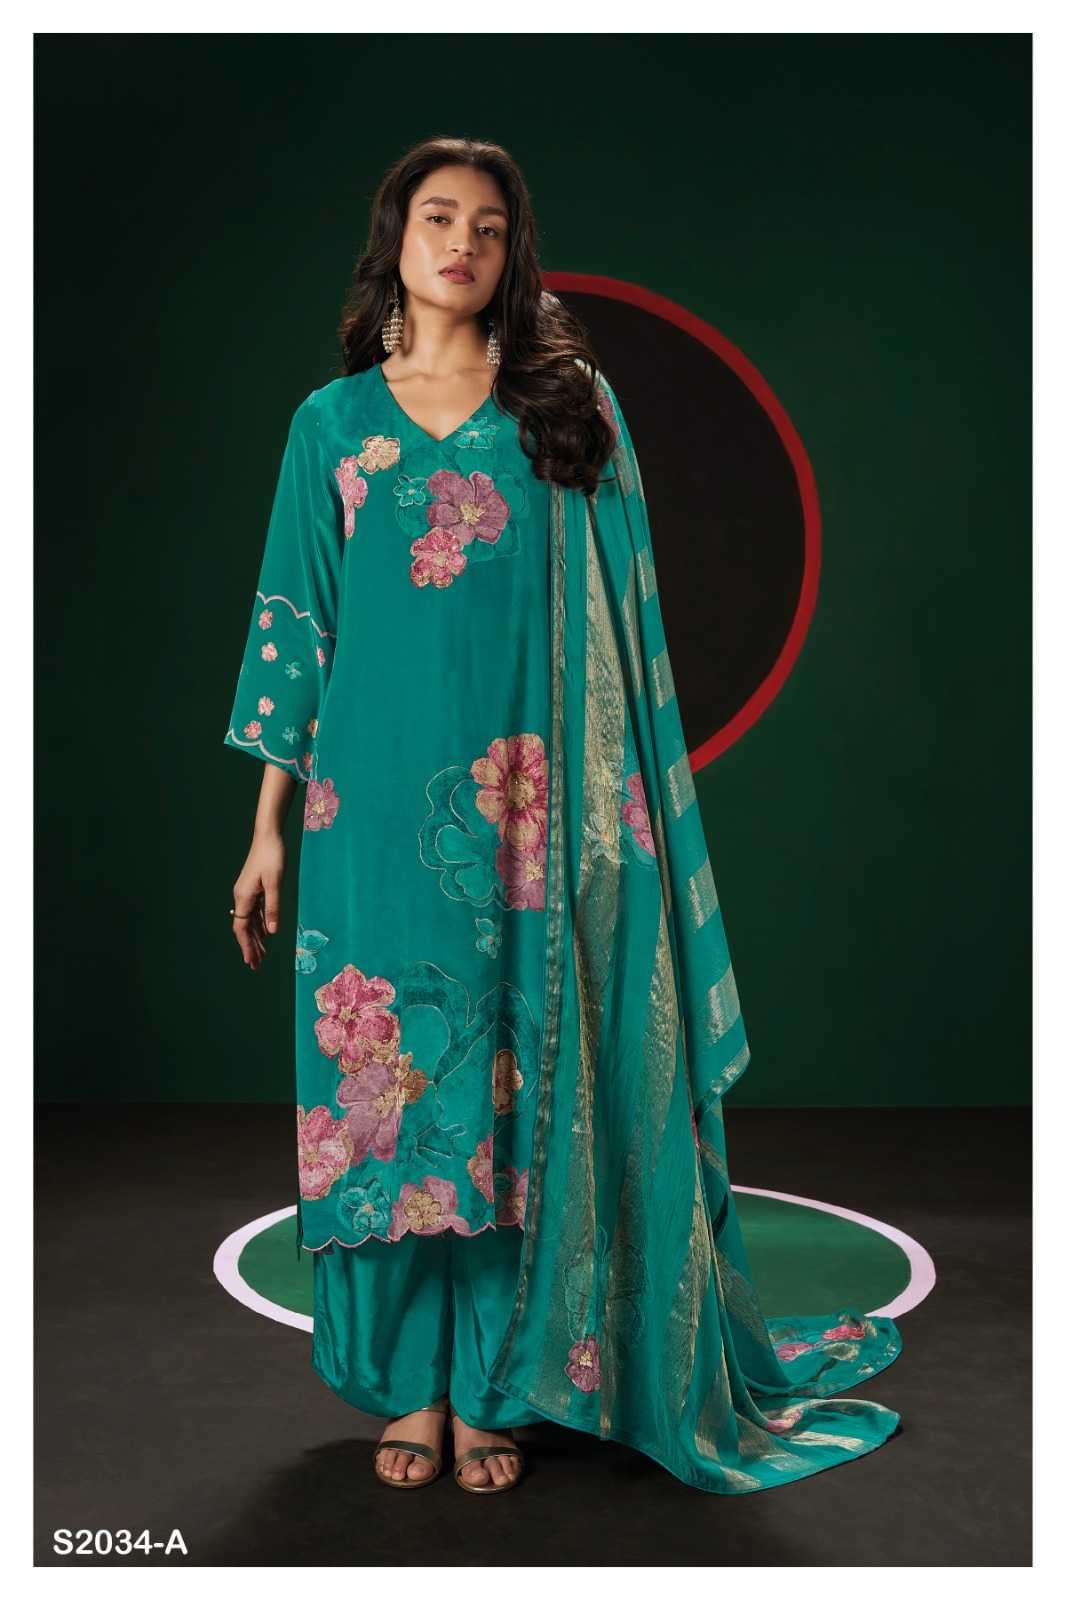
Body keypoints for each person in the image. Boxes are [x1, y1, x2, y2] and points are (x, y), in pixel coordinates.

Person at [223, 135, 903, 1497]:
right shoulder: (330, 424)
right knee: (387, 1092)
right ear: (395, 240)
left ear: (511, 253)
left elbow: (623, 630)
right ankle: (406, 1384)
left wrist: (613, 826)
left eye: (487, 226)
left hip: (528, 815)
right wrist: (267, 827)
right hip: (364, 812)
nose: (461, 244)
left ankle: (493, 1388)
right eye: (437, 217)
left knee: (508, 1086)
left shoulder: (565, 406)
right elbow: (295, 627)